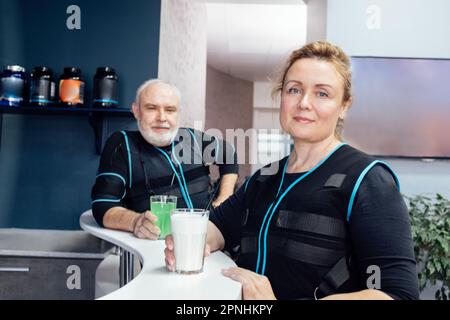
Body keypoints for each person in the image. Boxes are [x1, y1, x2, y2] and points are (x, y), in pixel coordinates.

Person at [164, 41, 420, 300]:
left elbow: (396, 293)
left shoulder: (367, 180)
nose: (304, 103)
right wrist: (191, 241)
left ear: (344, 106)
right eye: (294, 89)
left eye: (322, 93)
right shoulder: (265, 177)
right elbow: (218, 228)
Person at [91, 79, 239, 239]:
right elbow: (103, 206)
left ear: (178, 114)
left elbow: (228, 153)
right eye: (151, 108)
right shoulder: (122, 144)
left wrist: (224, 197)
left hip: (210, 236)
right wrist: (135, 222)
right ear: (136, 111)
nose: (162, 117)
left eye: (170, 110)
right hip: (158, 243)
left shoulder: (192, 138)